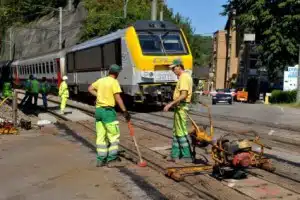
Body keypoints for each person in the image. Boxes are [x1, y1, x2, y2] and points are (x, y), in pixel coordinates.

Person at [88, 64, 131, 167]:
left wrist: (98, 95)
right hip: (108, 112)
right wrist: (125, 111)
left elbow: (90, 88)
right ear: (117, 73)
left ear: (109, 71)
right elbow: (118, 98)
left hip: (98, 111)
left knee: (101, 137)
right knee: (113, 136)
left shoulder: (101, 80)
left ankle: (101, 159)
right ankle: (112, 159)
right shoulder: (114, 82)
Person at [163, 59, 193, 163]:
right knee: (177, 131)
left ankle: (187, 155)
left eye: (173, 68)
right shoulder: (184, 77)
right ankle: (174, 155)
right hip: (179, 107)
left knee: (181, 132)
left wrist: (170, 103)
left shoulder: (184, 77)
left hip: (181, 107)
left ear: (179, 66)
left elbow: (184, 95)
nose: (172, 70)